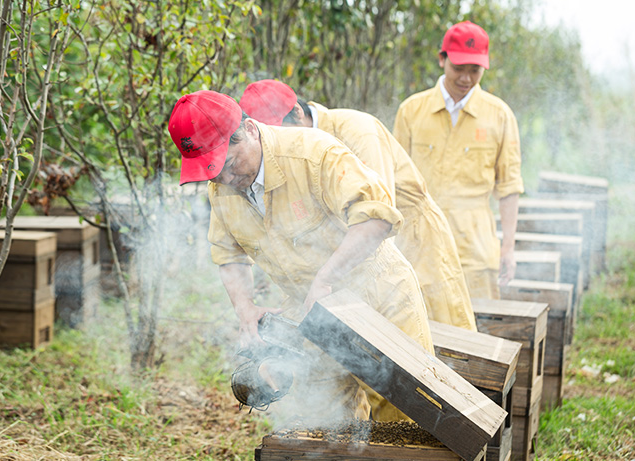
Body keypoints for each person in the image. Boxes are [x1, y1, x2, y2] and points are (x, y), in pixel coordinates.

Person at [168, 90, 434, 423]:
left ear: (250, 130)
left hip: (379, 298)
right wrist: (245, 308)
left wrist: (326, 277)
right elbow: (228, 253)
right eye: (213, 173)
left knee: (406, 420)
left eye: (230, 164)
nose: (226, 179)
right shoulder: (222, 190)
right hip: (310, 315)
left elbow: (377, 217)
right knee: (329, 423)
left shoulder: (314, 153)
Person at [239, 79, 476, 331]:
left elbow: (379, 214)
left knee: (445, 332)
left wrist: (371, 287)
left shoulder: (358, 131)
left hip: (414, 237)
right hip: (359, 249)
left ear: (298, 113)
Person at [392, 21, 524, 299]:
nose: (465, 79)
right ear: (442, 60)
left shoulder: (499, 115)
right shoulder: (411, 111)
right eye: (458, 69)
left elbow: (509, 187)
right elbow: (393, 180)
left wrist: (508, 249)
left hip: (475, 251)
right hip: (419, 248)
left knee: (476, 333)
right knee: (418, 333)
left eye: (474, 71)